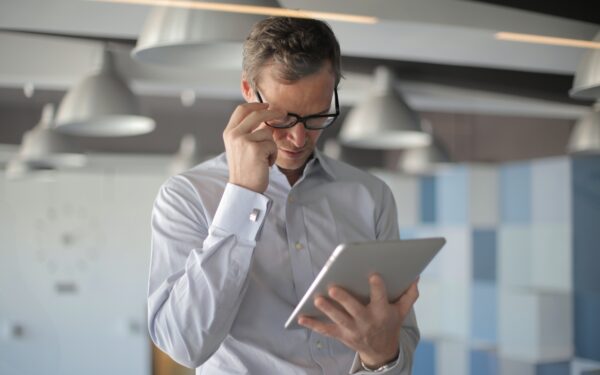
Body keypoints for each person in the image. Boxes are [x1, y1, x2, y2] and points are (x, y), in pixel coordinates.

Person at [148, 16, 420, 374]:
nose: (297, 138)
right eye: (282, 117)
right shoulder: (185, 196)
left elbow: (401, 341)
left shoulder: (371, 196)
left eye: (317, 116)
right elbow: (185, 345)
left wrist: (381, 356)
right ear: (248, 90)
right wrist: (241, 196)